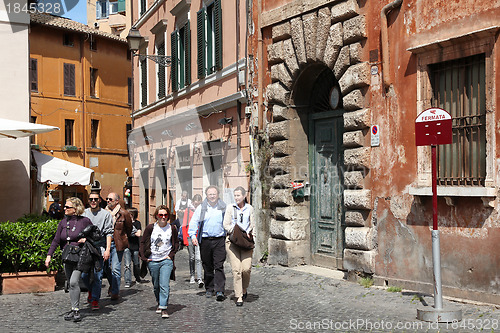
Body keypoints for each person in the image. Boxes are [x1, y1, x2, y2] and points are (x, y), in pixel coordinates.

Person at [45, 197, 93, 322]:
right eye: (64, 206)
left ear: (76, 208)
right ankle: (73, 307)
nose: (64, 208)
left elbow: (95, 235)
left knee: (73, 282)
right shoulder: (62, 222)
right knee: (71, 284)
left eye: (67, 207)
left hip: (79, 257)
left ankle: (76, 310)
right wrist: (49, 255)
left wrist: (86, 240)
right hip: (67, 256)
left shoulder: (85, 221)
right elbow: (56, 240)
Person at [139, 205, 179, 318]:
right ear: (157, 216)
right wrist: (144, 257)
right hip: (153, 260)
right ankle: (159, 302)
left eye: (165, 215)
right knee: (156, 285)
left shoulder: (172, 228)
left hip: (166, 260)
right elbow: (143, 242)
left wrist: (171, 256)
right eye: (160, 215)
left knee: (164, 284)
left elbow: (176, 243)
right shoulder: (150, 228)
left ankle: (163, 307)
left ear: (168, 216)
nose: (163, 217)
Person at [188, 185, 227, 301]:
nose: (212, 196)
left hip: (219, 239)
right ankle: (209, 288)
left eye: (214, 194)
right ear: (207, 195)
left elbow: (230, 221)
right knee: (207, 265)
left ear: (218, 194)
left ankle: (220, 290)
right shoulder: (201, 208)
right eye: (210, 194)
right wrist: (193, 235)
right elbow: (194, 222)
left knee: (219, 265)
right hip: (205, 240)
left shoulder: (223, 207)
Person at [81, 190, 113, 311]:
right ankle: (90, 289)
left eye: (95, 199)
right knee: (84, 275)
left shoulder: (106, 214)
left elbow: (109, 233)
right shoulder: (83, 214)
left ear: (99, 200)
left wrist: (108, 249)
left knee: (98, 276)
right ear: (88, 201)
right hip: (86, 249)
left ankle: (95, 299)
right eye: (91, 199)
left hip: (99, 248)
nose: (93, 201)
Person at [223, 186, 255, 306]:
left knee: (246, 269)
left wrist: (251, 235)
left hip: (246, 242)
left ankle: (244, 288)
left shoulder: (249, 208)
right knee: (236, 270)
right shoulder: (230, 208)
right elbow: (225, 224)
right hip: (233, 242)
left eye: (238, 195)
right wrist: (235, 231)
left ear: (244, 196)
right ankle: (239, 295)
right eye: (235, 195)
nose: (236, 197)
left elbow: (253, 224)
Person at [105, 192, 133, 300]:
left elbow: (129, 228)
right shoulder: (104, 213)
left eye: (110, 199)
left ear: (117, 201)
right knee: (106, 268)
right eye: (107, 199)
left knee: (115, 268)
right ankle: (113, 284)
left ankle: (115, 291)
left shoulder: (124, 213)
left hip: (118, 244)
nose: (108, 201)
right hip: (105, 243)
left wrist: (123, 237)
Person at [180, 194, 203, 287]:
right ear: (193, 202)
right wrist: (185, 239)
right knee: (192, 257)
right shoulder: (188, 211)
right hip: (189, 236)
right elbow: (184, 225)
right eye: (196, 204)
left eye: (199, 204)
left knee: (199, 258)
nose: (197, 206)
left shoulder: (202, 211)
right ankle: (192, 275)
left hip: (199, 236)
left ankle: (200, 277)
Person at [123, 207, 142, 287]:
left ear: (133, 215)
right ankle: (128, 281)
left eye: (129, 214)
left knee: (136, 264)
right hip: (127, 246)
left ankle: (137, 277)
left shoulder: (137, 223)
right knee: (127, 265)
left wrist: (130, 233)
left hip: (135, 246)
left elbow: (139, 234)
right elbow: (123, 234)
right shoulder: (124, 223)